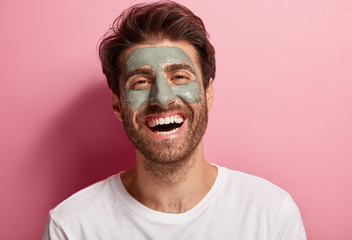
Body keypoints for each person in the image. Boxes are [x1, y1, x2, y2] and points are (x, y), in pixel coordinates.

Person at [42, 1, 306, 239]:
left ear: (208, 93)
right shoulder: (72, 227)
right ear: (117, 104)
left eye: (179, 76)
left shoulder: (272, 215)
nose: (163, 98)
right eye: (141, 81)